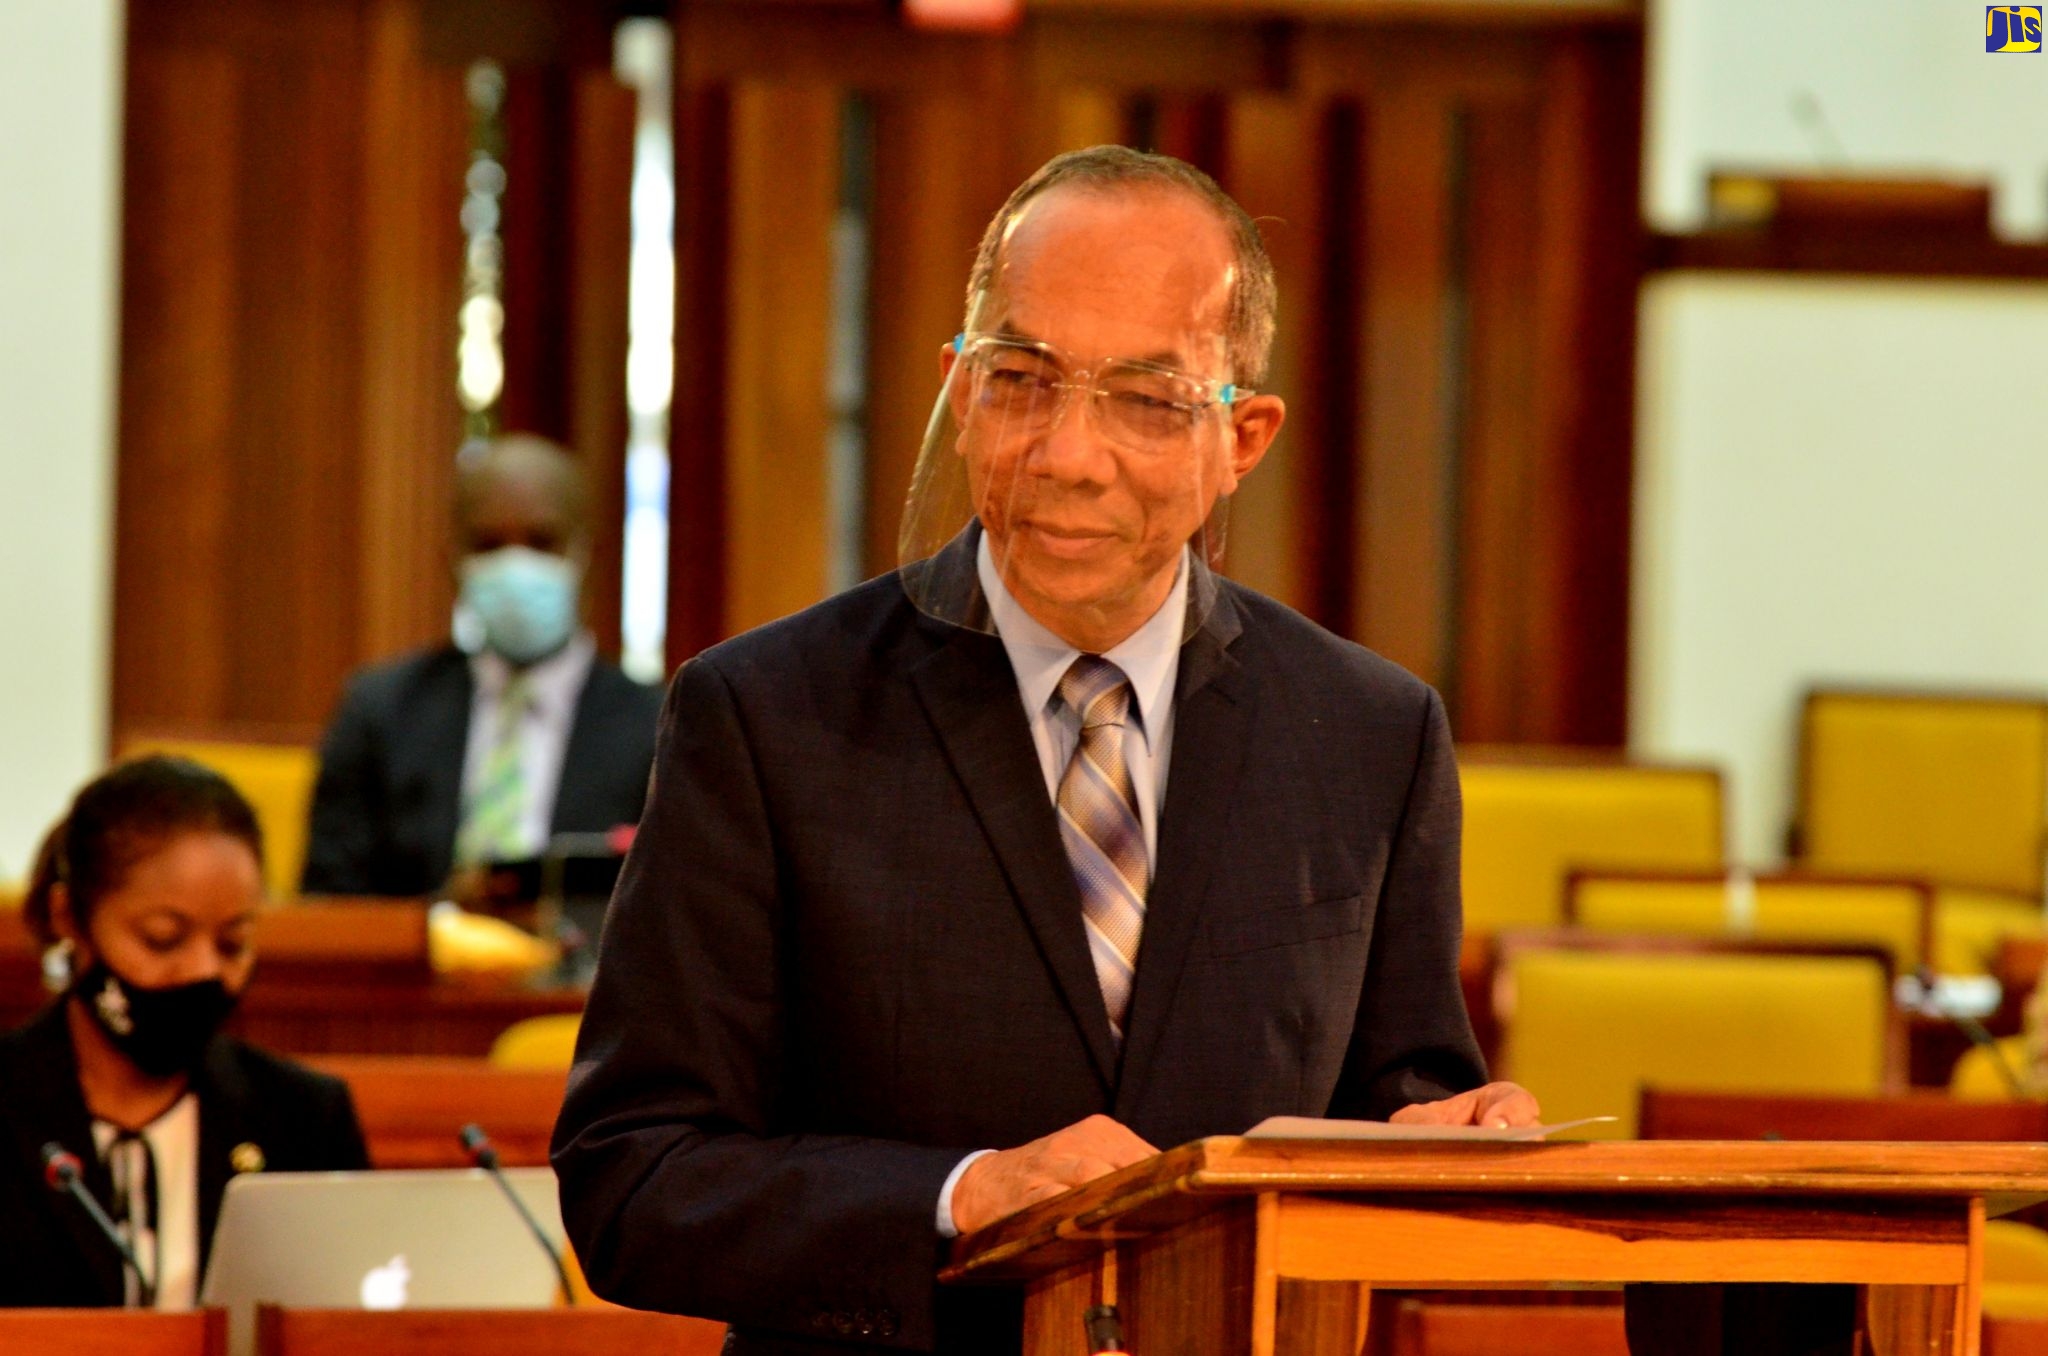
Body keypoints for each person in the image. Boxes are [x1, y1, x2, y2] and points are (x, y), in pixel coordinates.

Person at [551, 146, 1538, 1356]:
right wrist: (960, 1198)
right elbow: (633, 1177)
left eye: (1144, 398)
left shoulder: (1371, 734)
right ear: (959, 393)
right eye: (1023, 378)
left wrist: (1448, 1145)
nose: (1068, 454)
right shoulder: (764, 716)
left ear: (1245, 437)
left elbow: (1394, 1117)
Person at [0, 756, 368, 1308]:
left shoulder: (305, 1117)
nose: (203, 973)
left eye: (232, 944)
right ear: (69, 919)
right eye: (163, 939)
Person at [301, 434, 663, 899]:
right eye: (489, 545)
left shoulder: (658, 726)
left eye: (542, 542)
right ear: (452, 561)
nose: (515, 564)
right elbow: (329, 902)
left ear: (587, 554)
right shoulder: (380, 712)